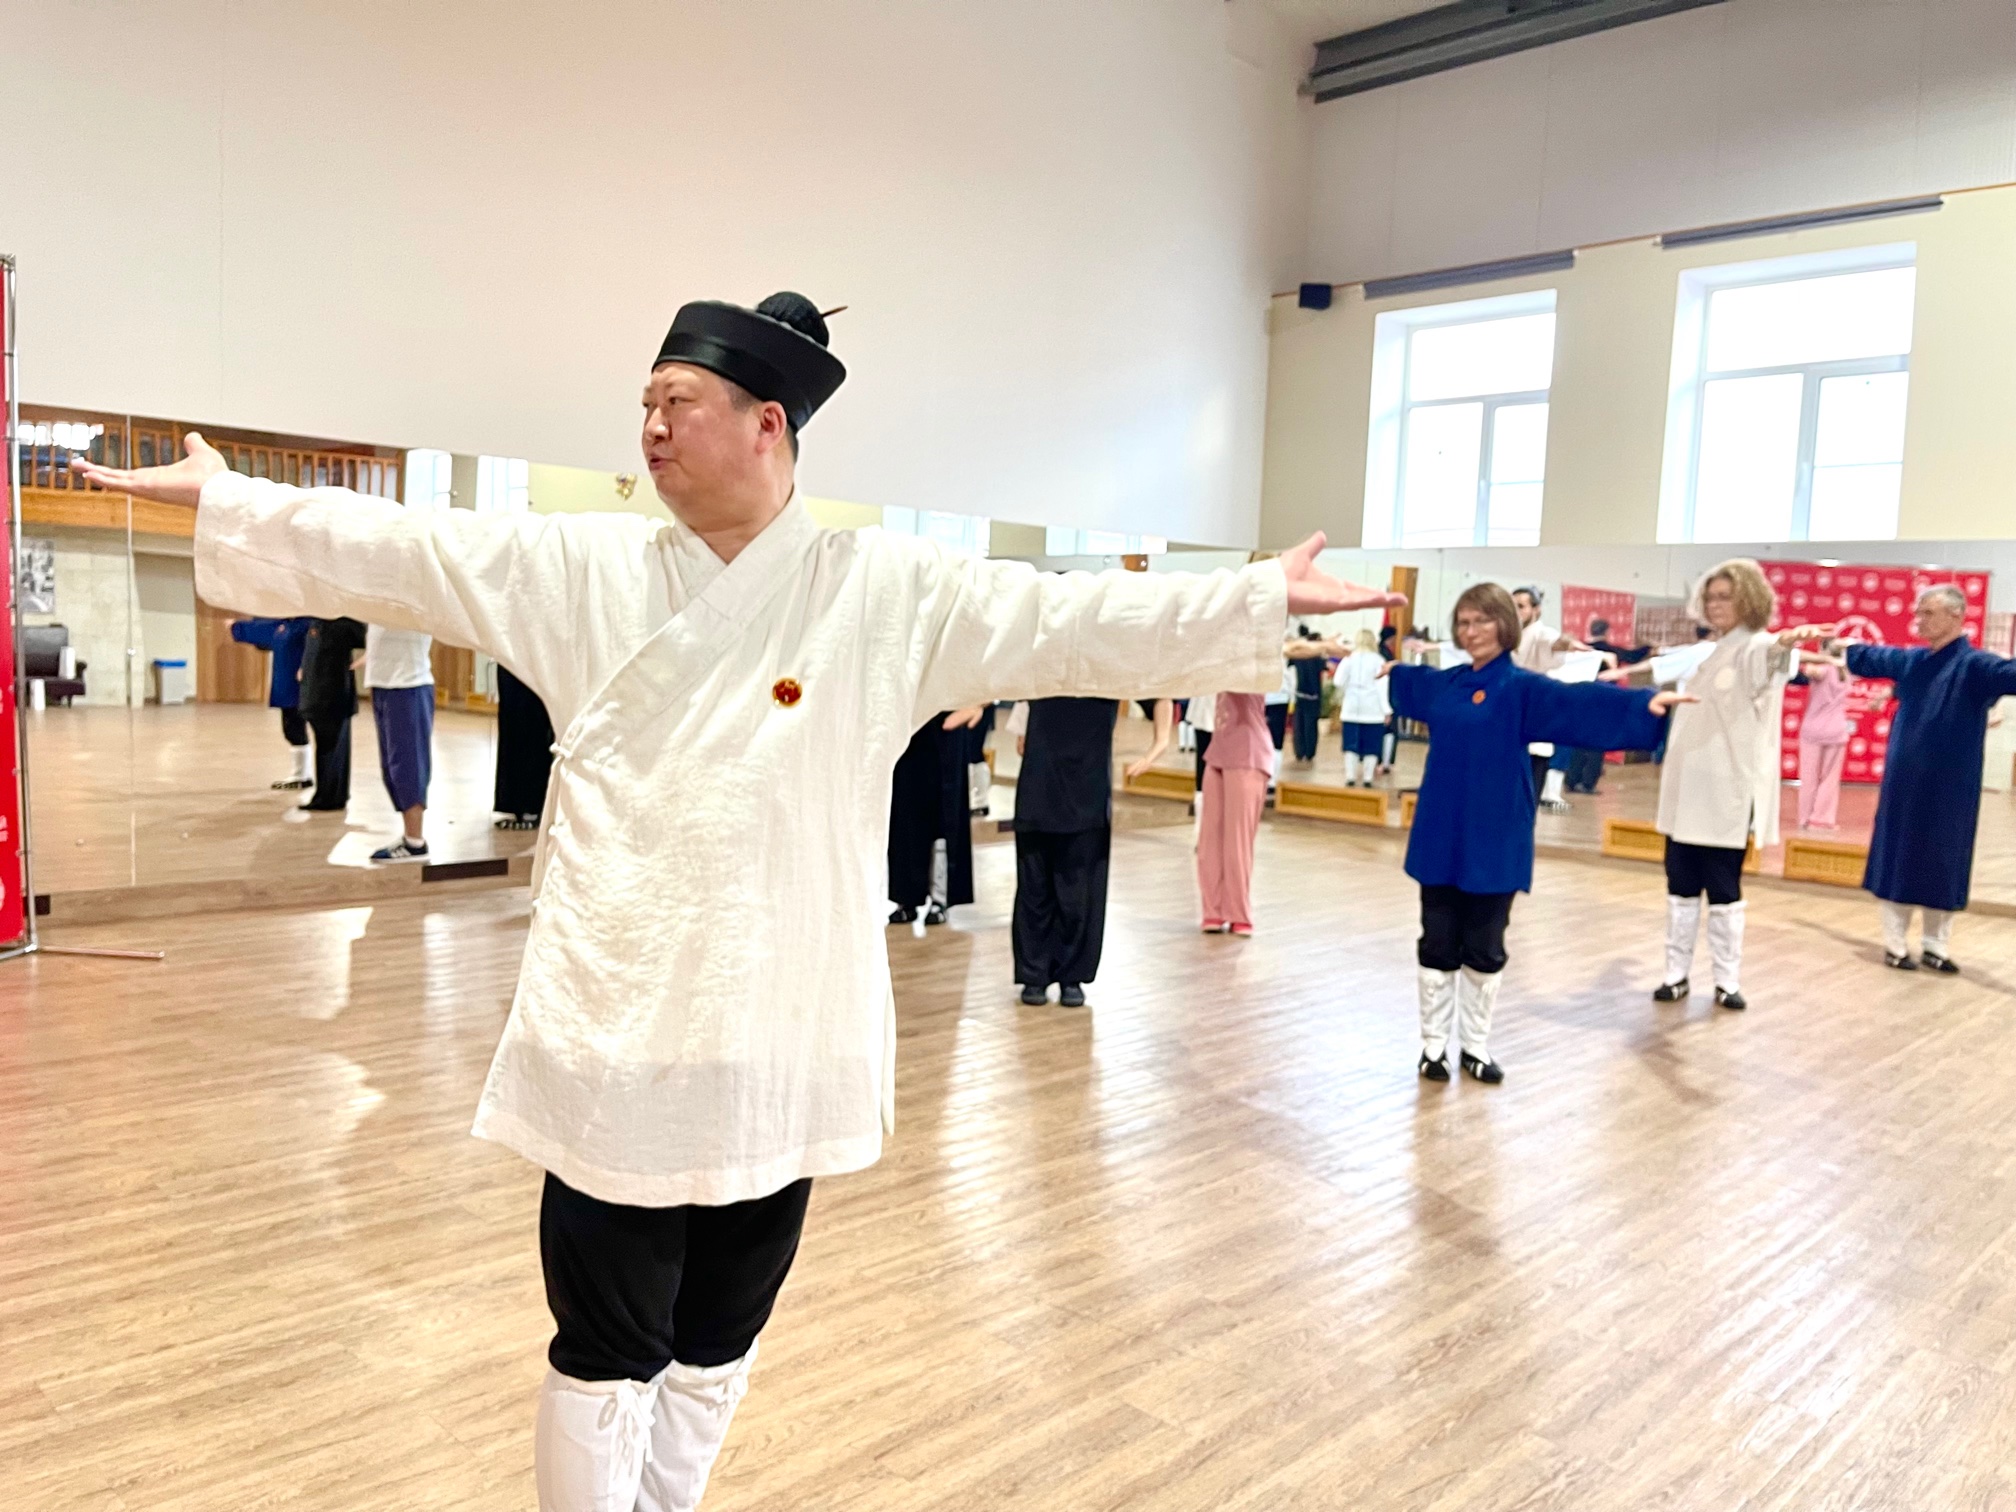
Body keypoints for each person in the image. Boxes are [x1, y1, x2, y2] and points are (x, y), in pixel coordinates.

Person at [82, 289, 1400, 1512]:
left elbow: (1066, 625)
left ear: (770, 425)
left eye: (678, 402)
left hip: (784, 1020)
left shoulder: (884, 590)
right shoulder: (583, 569)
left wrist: (1254, 594)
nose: (650, 428)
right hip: (618, 1021)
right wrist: (234, 498)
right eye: (644, 405)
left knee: (720, 1336)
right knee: (604, 1343)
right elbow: (405, 548)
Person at [1386, 584, 1684, 1084]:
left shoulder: (1522, 688)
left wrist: (1643, 706)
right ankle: (1433, 1047)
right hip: (1441, 831)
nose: (1471, 631)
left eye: (1482, 620)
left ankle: (1475, 1046)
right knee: (1436, 940)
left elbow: (1577, 703)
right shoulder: (1448, 685)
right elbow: (1413, 682)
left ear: (1505, 625)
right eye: (1463, 622)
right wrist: (1394, 670)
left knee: (1485, 943)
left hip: (1496, 836)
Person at [1613, 561, 1832, 1011]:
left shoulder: (1757, 645)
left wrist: (1786, 644)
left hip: (1726, 790)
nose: (1715, 605)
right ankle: (1675, 974)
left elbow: (1772, 660)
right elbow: (1651, 673)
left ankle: (1726, 980)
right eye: (1710, 597)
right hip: (1685, 787)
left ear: (1749, 599)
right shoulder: (1706, 651)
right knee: (1679, 884)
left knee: (1723, 887)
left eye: (1725, 597)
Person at [1844, 584, 2016, 973]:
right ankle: (1895, 944)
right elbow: (1870, 657)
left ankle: (1935, 945)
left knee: (1945, 860)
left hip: (1953, 787)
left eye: (1929, 613)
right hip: (1904, 783)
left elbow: (2009, 674)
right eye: (1918, 613)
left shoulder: (1975, 666)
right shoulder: (1913, 661)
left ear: (1957, 616)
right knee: (1899, 857)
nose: (1919, 621)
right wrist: (1836, 646)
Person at [1007, 697, 1169, 1007]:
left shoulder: (1108, 671)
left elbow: (1158, 692)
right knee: (1034, 889)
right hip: (1039, 786)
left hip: (1087, 792)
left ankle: (1071, 976)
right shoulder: (1044, 669)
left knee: (1078, 894)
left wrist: (1159, 744)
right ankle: (1033, 974)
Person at [887, 707, 984, 925]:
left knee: (944, 810)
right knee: (905, 808)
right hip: (911, 722)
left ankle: (940, 897)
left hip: (947, 719)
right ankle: (906, 896)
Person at [1196, 690, 1273, 935]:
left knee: (1237, 841)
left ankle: (1239, 913)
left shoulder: (1252, 668)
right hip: (1218, 750)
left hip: (1248, 751)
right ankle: (1213, 910)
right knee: (1209, 840)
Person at [364, 623, 437, 862]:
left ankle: (415, 841)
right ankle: (409, 837)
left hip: (408, 683)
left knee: (409, 764)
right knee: (392, 767)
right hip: (383, 681)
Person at [1510, 585, 1580, 812]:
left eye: (1520, 606)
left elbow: (1554, 642)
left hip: (1532, 716)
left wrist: (1565, 642)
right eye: (1512, 606)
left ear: (1536, 610)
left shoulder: (1541, 633)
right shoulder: (1507, 635)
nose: (1515, 611)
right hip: (1506, 717)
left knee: (1525, 802)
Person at [229, 615, 314, 789]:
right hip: (289, 684)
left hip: (299, 685)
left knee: (297, 728)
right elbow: (262, 635)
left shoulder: (304, 624)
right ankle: (301, 774)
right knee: (292, 727)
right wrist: (236, 627)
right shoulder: (285, 625)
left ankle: (302, 775)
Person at [295, 615, 367, 813]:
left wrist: (365, 659)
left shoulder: (344, 623)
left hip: (332, 696)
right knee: (328, 747)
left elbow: (369, 637)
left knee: (332, 747)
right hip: (319, 695)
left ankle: (329, 797)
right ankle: (331, 795)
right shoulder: (317, 622)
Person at [494, 663, 556, 830]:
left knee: (534, 725)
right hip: (510, 661)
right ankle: (513, 805)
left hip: (539, 664)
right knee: (511, 722)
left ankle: (533, 806)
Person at [1794, 653, 1850, 831]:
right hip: (1836, 729)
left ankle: (1805, 818)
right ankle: (1821, 820)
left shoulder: (1821, 669)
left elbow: (1808, 670)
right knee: (1830, 778)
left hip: (1812, 729)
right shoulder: (1845, 671)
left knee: (1808, 777)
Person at [1334, 628, 1389, 786]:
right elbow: (1382, 687)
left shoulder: (1349, 659)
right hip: (1373, 709)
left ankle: (1350, 776)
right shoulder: (1379, 660)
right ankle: (1367, 778)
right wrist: (1387, 710)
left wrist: (1349, 688)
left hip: (1351, 707)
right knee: (1372, 745)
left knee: (1350, 744)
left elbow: (1338, 681)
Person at [1285, 626, 1330, 764]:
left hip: (1299, 692)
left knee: (1299, 724)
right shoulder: (1317, 656)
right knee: (1311, 725)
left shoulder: (1298, 655)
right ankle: (1310, 752)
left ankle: (1299, 751)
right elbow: (1326, 668)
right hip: (1313, 694)